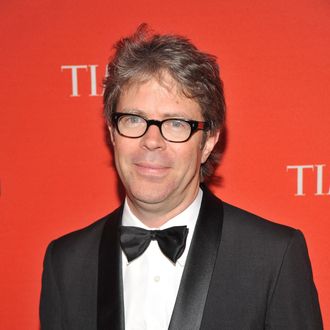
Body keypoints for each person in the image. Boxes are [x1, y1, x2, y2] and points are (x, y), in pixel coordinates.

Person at [40, 24, 323, 330]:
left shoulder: (273, 256)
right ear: (112, 132)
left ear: (209, 141)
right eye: (134, 119)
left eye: (175, 123)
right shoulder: (66, 263)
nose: (151, 141)